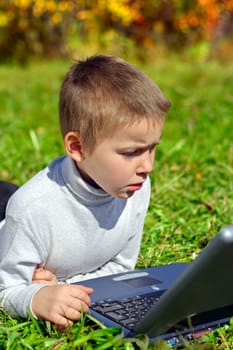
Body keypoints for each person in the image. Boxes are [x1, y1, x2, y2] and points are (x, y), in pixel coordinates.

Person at [0, 55, 171, 332]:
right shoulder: (30, 209)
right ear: (78, 147)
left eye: (152, 148)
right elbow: (6, 291)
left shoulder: (136, 187)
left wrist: (64, 290)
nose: (148, 166)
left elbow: (121, 269)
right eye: (131, 153)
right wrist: (34, 297)